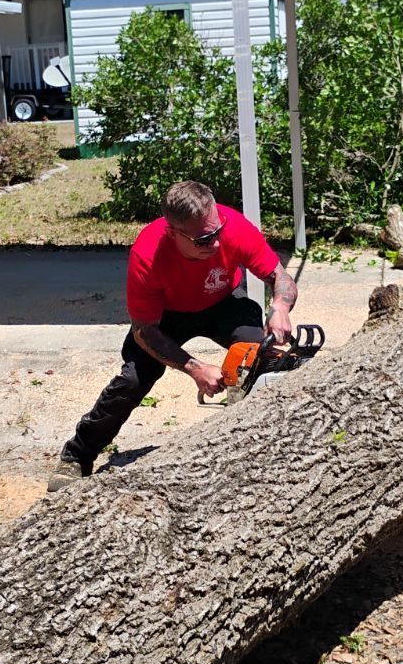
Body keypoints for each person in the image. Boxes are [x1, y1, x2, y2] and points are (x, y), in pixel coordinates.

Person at [47, 180, 298, 487]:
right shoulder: (148, 255)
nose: (217, 244)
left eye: (217, 232)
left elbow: (279, 276)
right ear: (173, 233)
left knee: (257, 359)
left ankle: (260, 444)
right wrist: (194, 368)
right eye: (204, 240)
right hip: (166, 316)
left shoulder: (233, 225)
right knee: (133, 379)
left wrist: (281, 307)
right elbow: (144, 331)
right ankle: (77, 456)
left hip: (223, 301)